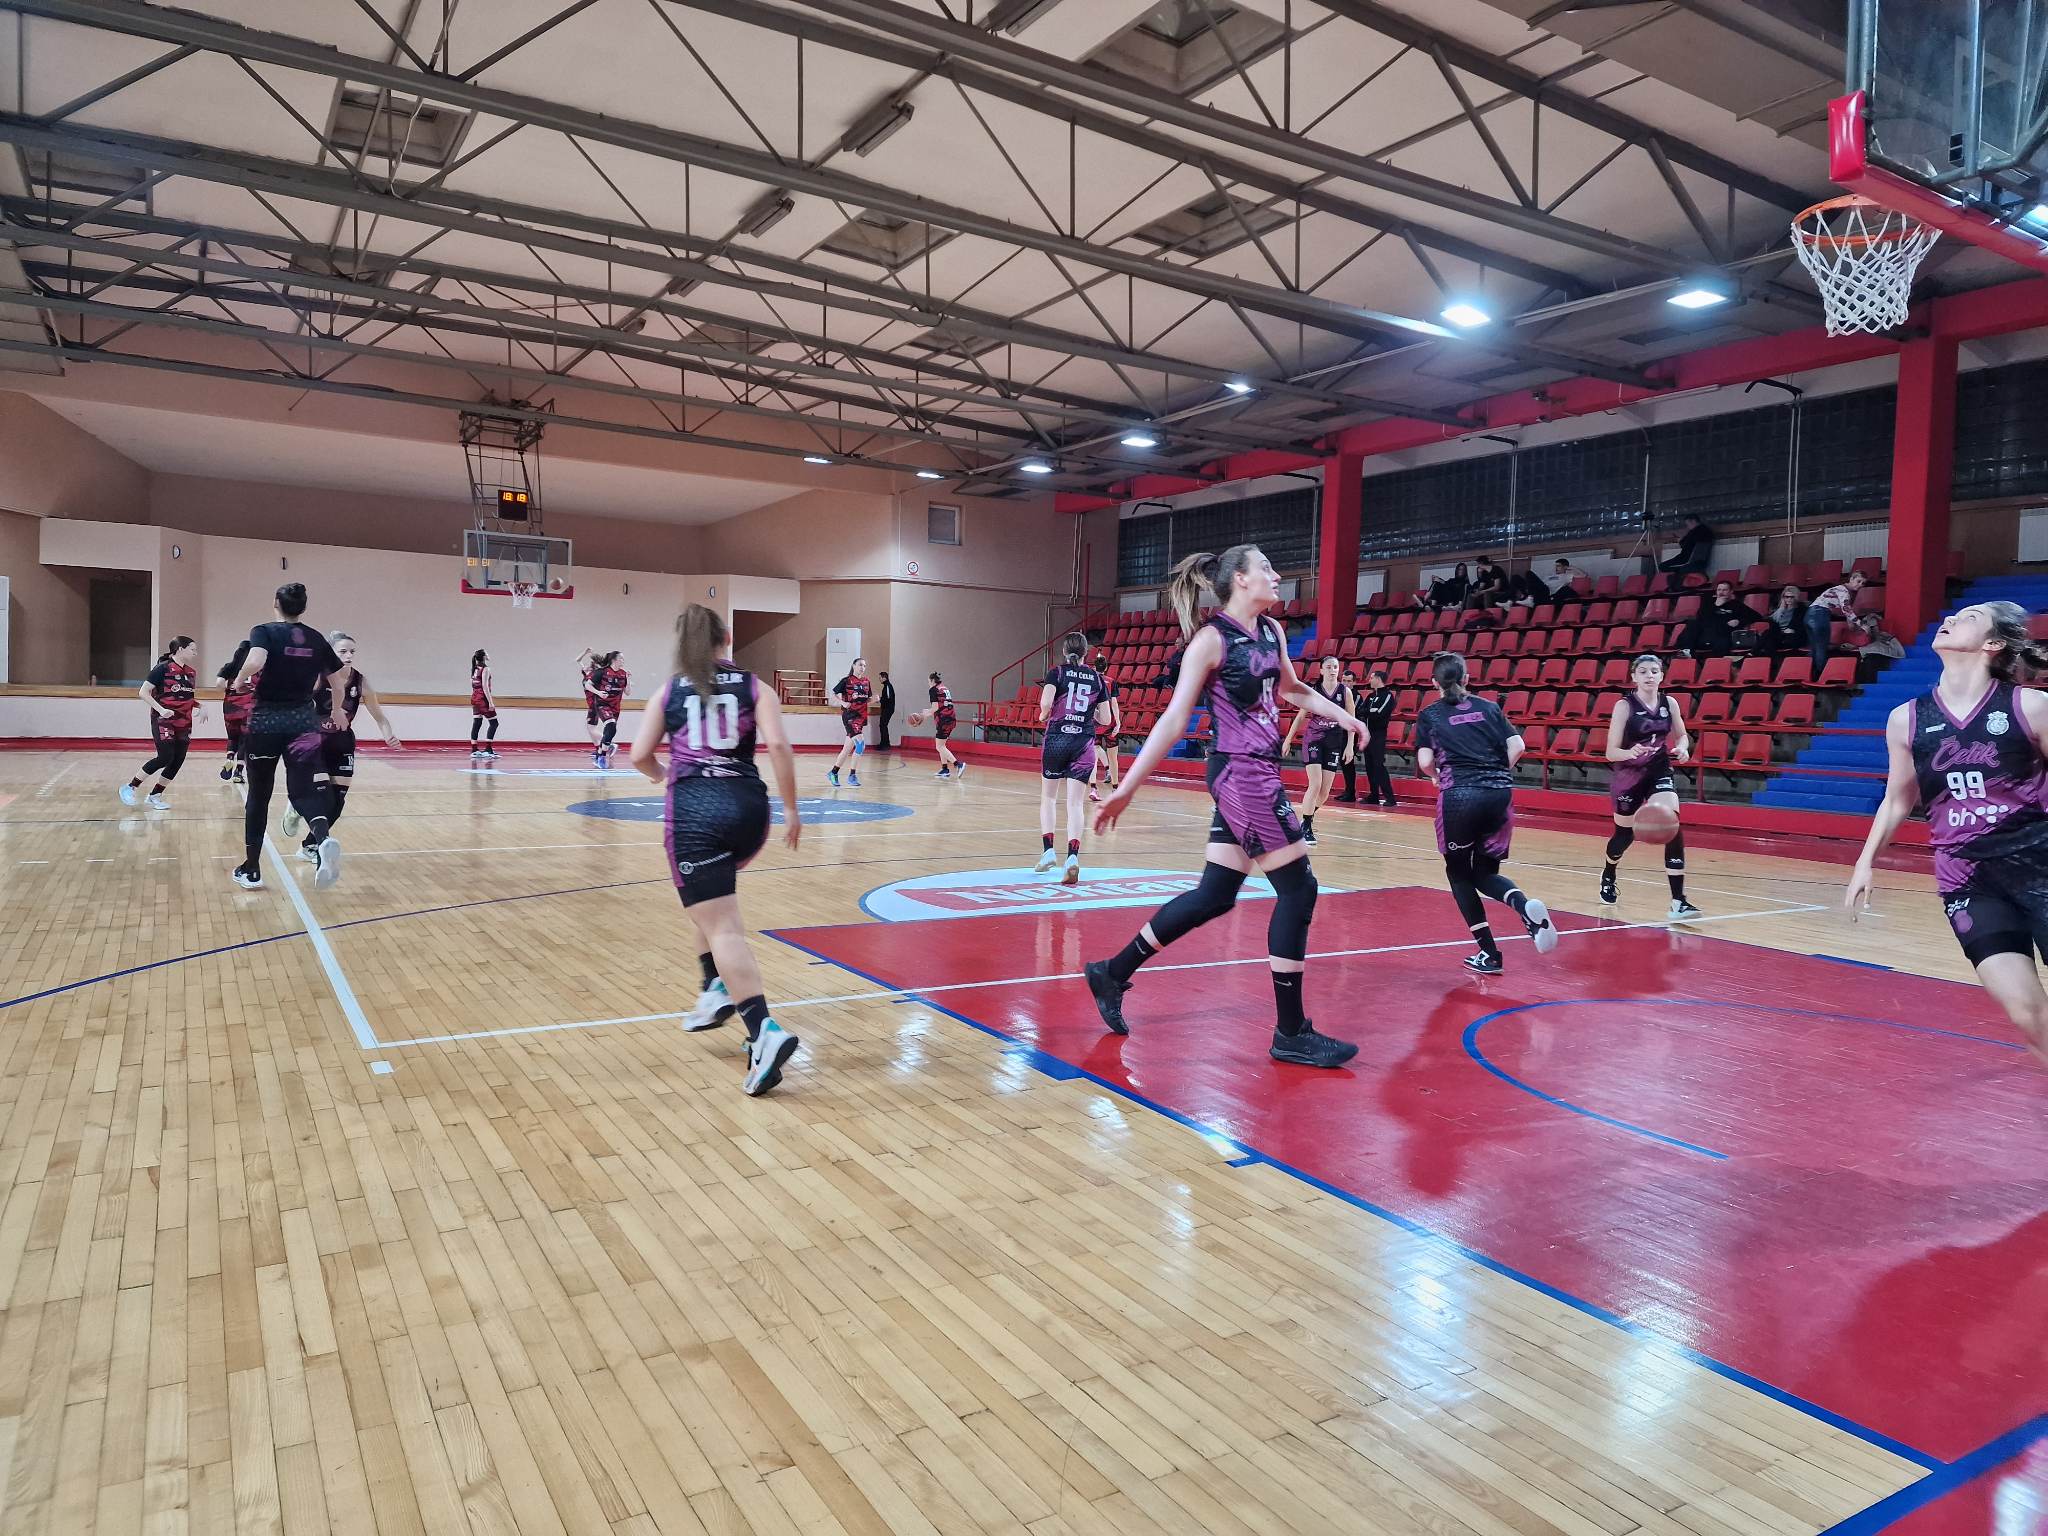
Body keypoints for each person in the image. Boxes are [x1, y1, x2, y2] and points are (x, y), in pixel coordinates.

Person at [1084, 546, 1366, 1067]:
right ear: (1239, 579)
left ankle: (1111, 972)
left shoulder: (1272, 632)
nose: (1276, 576)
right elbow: (1173, 720)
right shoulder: (1211, 641)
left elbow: (1293, 689)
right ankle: (1291, 1032)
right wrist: (1128, 787)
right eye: (1266, 568)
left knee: (1215, 895)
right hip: (1241, 775)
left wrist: (1345, 717)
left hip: (1258, 772)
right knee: (1299, 889)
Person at [1846, 600, 2048, 1067]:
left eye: (1970, 617)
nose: (1950, 619)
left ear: (1993, 643)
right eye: (1953, 616)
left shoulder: (2029, 707)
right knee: (2027, 1013)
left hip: (2039, 863)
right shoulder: (1907, 719)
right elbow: (1898, 799)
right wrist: (1864, 862)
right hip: (1968, 879)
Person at [629, 603, 805, 1095]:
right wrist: (792, 809)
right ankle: (713, 985)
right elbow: (780, 747)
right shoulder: (755, 686)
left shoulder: (668, 692)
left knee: (721, 923)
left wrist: (664, 776)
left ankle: (763, 1030)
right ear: (726, 638)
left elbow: (639, 755)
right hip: (750, 811)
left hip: (697, 813)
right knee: (711, 906)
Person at [1413, 651, 1558, 974]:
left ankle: (1489, 953)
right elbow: (1518, 745)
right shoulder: (1489, 707)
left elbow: (1425, 761)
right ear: (1467, 678)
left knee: (1458, 874)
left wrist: (1437, 776)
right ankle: (1524, 907)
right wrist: (1496, 772)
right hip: (1499, 794)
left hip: (1460, 797)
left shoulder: (1431, 715)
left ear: (1434, 682)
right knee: (1484, 873)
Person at [225, 582, 350, 891]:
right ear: (303, 607)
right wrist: (337, 711)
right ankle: (322, 839)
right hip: (303, 723)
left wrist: (239, 679)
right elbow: (338, 683)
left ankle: (252, 869)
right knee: (304, 790)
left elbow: (256, 661)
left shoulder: (264, 631)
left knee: (259, 795)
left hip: (266, 722)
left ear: (275, 604)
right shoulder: (317, 638)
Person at [1598, 653, 1701, 919]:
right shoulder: (1624, 706)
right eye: (1643, 671)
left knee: (1671, 822)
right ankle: (1609, 872)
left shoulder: (1670, 703)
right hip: (1628, 776)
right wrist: (1629, 752)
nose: (1649, 676)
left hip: (1658, 769)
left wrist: (1683, 748)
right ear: (1634, 677)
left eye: (1654, 671)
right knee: (1624, 836)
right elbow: (1610, 752)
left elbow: (1682, 735)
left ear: (1661, 676)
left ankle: (1678, 901)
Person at [284, 630, 402, 860]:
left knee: (337, 803)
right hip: (314, 742)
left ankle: (309, 846)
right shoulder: (318, 676)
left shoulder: (360, 681)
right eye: (343, 651)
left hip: (342, 743)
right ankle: (300, 806)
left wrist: (388, 735)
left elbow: (379, 716)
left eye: (352, 652)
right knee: (322, 797)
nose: (349, 656)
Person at [1037, 634, 1107, 884]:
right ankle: (1073, 857)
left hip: (1057, 739)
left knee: (1049, 797)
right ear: (1087, 653)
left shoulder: (1056, 673)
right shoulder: (1097, 678)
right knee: (1075, 804)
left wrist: (1044, 715)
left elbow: (1046, 704)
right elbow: (1106, 719)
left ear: (1065, 652)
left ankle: (1048, 851)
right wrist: (1086, 712)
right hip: (1083, 742)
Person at [1279, 653, 1354, 845]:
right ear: (1321, 670)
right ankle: (1306, 828)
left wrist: (1350, 746)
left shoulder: (1345, 692)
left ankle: (1306, 818)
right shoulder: (1314, 691)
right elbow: (1300, 717)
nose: (1332, 670)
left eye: (1335, 667)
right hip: (1314, 740)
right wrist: (1288, 740)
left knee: (1325, 792)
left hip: (1334, 742)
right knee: (1315, 783)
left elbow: (1351, 721)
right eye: (1328, 667)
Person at [122, 635, 200, 810]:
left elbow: (184, 697)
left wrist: (200, 706)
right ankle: (130, 787)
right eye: (192, 649)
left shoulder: (191, 673)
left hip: (184, 722)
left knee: (178, 760)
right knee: (165, 757)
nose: (195, 653)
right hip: (163, 720)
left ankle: (155, 795)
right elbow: (143, 692)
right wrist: (161, 710)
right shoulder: (162, 669)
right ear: (180, 649)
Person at [1681, 580, 1765, 658]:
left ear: (1731, 592)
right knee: (1692, 623)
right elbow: (1701, 618)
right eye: (1719, 590)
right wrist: (1716, 605)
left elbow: (1757, 616)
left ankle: (1714, 665)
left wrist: (1739, 621)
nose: (1721, 592)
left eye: (1724, 590)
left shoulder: (1737, 605)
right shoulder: (1708, 604)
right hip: (1705, 636)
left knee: (1723, 641)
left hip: (1723, 635)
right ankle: (1686, 651)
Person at [1806, 570, 1869, 673]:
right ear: (1851, 579)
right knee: (1821, 647)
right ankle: (1822, 674)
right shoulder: (1844, 591)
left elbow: (1846, 610)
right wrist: (1861, 624)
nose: (1860, 585)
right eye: (1858, 581)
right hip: (1820, 614)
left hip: (1809, 614)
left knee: (1814, 648)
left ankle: (1808, 674)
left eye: (1863, 583)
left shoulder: (1840, 589)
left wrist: (1851, 622)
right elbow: (1846, 609)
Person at [1356, 665, 1396, 807]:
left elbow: (1379, 714)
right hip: (1367, 734)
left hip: (1378, 735)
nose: (1369, 680)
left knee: (1378, 766)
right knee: (1369, 766)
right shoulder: (1371, 696)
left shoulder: (1388, 696)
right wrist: (1368, 711)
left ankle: (1390, 797)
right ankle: (1374, 795)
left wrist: (1367, 712)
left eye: (1372, 677)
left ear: (1379, 679)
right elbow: (1361, 711)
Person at [827, 657, 871, 787]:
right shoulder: (846, 681)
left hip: (861, 717)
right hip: (850, 716)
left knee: (847, 749)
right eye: (860, 665)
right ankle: (852, 775)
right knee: (860, 745)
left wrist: (873, 699)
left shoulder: (866, 682)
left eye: (864, 665)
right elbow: (833, 694)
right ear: (854, 666)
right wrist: (842, 702)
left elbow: (865, 700)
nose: (862, 667)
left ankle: (833, 772)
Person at [216, 640, 255, 784]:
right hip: (248, 706)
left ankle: (229, 758)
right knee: (245, 739)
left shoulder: (230, 666)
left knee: (232, 737)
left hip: (230, 706)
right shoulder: (255, 667)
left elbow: (219, 684)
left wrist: (229, 689)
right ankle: (238, 771)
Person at [1090, 652, 1121, 802]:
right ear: (1106, 668)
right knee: (1113, 758)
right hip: (1110, 721)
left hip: (1095, 722)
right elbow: (1114, 703)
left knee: (1093, 757)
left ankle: (1093, 789)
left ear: (1094, 667)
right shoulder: (1111, 681)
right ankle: (1115, 789)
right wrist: (1118, 721)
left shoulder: (1090, 681)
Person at [591, 652, 629, 768]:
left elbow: (627, 692)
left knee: (610, 731)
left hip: (615, 707)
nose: (623, 660)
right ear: (614, 660)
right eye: (621, 658)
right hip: (602, 704)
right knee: (611, 725)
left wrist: (628, 679)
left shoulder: (623, 674)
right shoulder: (602, 672)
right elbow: (587, 685)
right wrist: (598, 692)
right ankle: (602, 756)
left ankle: (599, 754)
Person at [924, 671, 963, 779]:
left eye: (928, 681)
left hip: (943, 720)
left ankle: (958, 764)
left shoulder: (933, 690)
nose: (928, 683)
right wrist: (929, 712)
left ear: (932, 680)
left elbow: (935, 708)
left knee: (939, 746)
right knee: (942, 746)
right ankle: (945, 769)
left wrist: (924, 715)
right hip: (951, 719)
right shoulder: (944, 688)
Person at [1657, 515, 1715, 588]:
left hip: (1686, 560)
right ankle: (1679, 583)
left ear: (1693, 521)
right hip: (1697, 560)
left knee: (1663, 566)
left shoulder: (1695, 532)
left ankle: (1678, 584)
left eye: (1688, 524)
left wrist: (1680, 540)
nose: (1688, 527)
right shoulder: (1706, 531)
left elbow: (1685, 544)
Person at [1761, 583, 1807, 656]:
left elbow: (1802, 625)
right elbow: (1772, 622)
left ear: (1796, 597)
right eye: (1787, 597)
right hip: (1780, 636)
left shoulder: (1801, 609)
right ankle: (1770, 659)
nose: (1789, 599)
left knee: (1767, 638)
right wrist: (1781, 609)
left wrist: (1792, 629)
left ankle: (1753, 653)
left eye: (1792, 597)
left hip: (1792, 637)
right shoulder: (1781, 609)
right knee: (1767, 635)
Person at [469, 649, 499, 759]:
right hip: (482, 698)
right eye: (486, 653)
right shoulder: (485, 669)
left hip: (475, 698)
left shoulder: (474, 668)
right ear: (484, 656)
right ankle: (488, 749)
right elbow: (485, 686)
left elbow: (473, 684)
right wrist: (490, 702)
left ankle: (474, 749)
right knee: (494, 723)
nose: (488, 654)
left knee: (477, 722)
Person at [876, 670, 897, 751]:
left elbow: (888, 698)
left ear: (884, 678)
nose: (879, 679)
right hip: (887, 709)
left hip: (888, 709)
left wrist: (880, 699)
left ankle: (885, 745)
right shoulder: (886, 686)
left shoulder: (887, 686)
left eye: (880, 678)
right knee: (883, 725)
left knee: (883, 725)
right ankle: (884, 743)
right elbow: (886, 697)